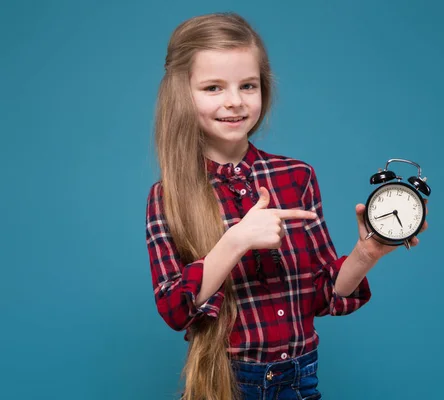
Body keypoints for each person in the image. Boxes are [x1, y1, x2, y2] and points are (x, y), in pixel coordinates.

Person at [145, 12, 428, 400]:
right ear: (182, 93)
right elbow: (175, 309)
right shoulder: (168, 196)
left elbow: (324, 294)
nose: (234, 101)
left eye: (248, 85)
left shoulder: (296, 177)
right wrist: (236, 240)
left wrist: (366, 253)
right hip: (225, 383)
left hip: (299, 379)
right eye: (213, 87)